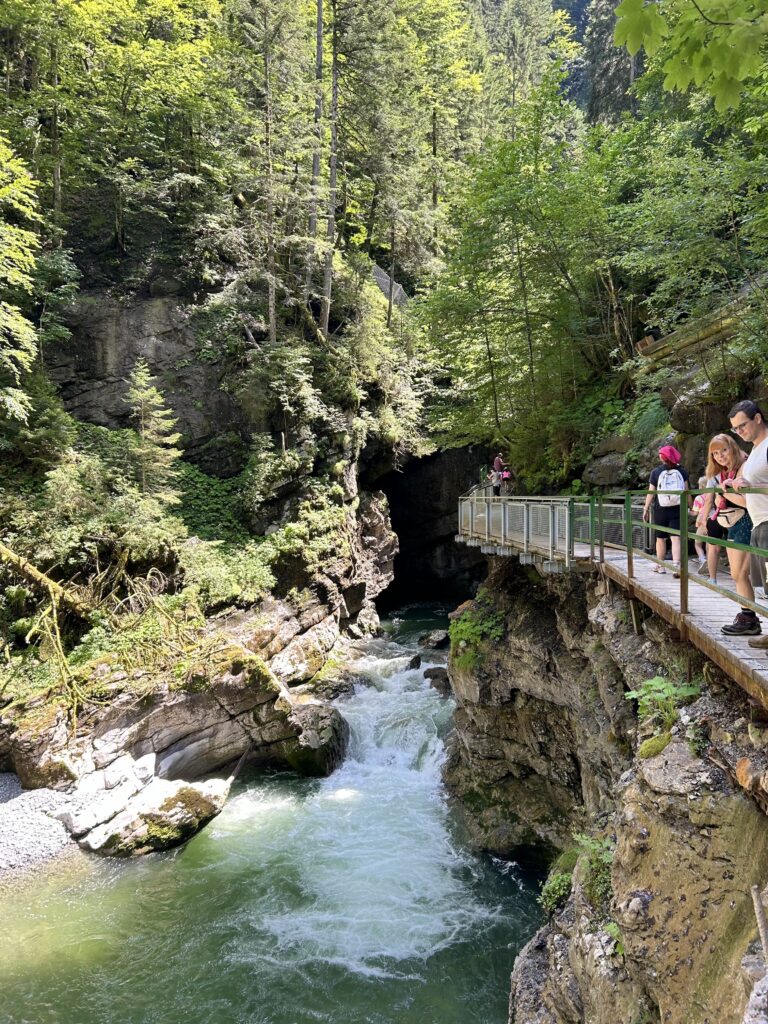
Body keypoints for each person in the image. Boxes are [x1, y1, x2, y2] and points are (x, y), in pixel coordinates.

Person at [721, 400, 768, 640]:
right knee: (766, 585)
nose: (739, 432)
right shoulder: (754, 453)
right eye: (735, 429)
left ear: (758, 418)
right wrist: (735, 488)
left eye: (742, 426)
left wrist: (751, 485)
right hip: (758, 521)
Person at [697, 436, 753, 627]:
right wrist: (703, 518)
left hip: (746, 521)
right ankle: (747, 616)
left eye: (723, 451)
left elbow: (747, 502)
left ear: (732, 448)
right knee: (737, 574)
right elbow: (708, 500)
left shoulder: (745, 465)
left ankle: (749, 617)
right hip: (732, 522)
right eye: (715, 453)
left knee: (740, 573)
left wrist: (725, 492)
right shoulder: (717, 473)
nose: (720, 456)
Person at [641, 445, 689, 575]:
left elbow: (651, 493)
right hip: (677, 508)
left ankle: (660, 566)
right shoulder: (682, 471)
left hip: (660, 509)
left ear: (662, 457)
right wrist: (690, 507)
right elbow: (686, 491)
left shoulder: (656, 472)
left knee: (660, 538)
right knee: (675, 538)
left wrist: (645, 509)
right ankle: (677, 566)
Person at [691, 476, 710, 573]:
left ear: (702, 486)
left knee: (697, 543)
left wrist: (688, 512)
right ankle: (709, 562)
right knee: (709, 543)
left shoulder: (699, 498)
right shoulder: (714, 495)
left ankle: (703, 559)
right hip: (712, 521)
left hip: (702, 523)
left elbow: (695, 512)